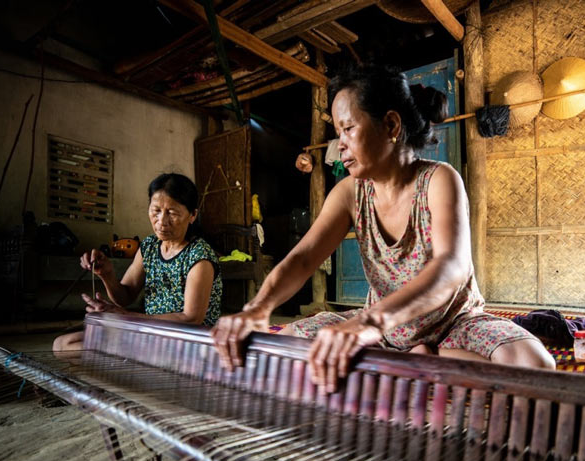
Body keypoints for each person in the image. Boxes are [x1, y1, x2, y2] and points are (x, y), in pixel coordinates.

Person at [211, 64, 554, 390]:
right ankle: (411, 360)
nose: (339, 143)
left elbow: (450, 267)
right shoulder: (349, 193)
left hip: (451, 323)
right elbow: (302, 260)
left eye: (348, 129)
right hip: (384, 331)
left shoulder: (438, 180)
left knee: (532, 364)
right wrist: (257, 308)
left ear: (390, 126)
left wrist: (369, 323)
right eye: (336, 133)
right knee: (284, 345)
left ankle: (424, 357)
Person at [53, 173, 223, 351]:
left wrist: (126, 316)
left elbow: (191, 318)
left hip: (187, 341)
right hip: (150, 332)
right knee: (64, 344)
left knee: (84, 349)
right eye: (156, 211)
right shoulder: (149, 247)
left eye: (172, 213)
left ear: (192, 215)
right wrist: (107, 274)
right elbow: (125, 297)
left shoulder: (199, 256)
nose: (162, 221)